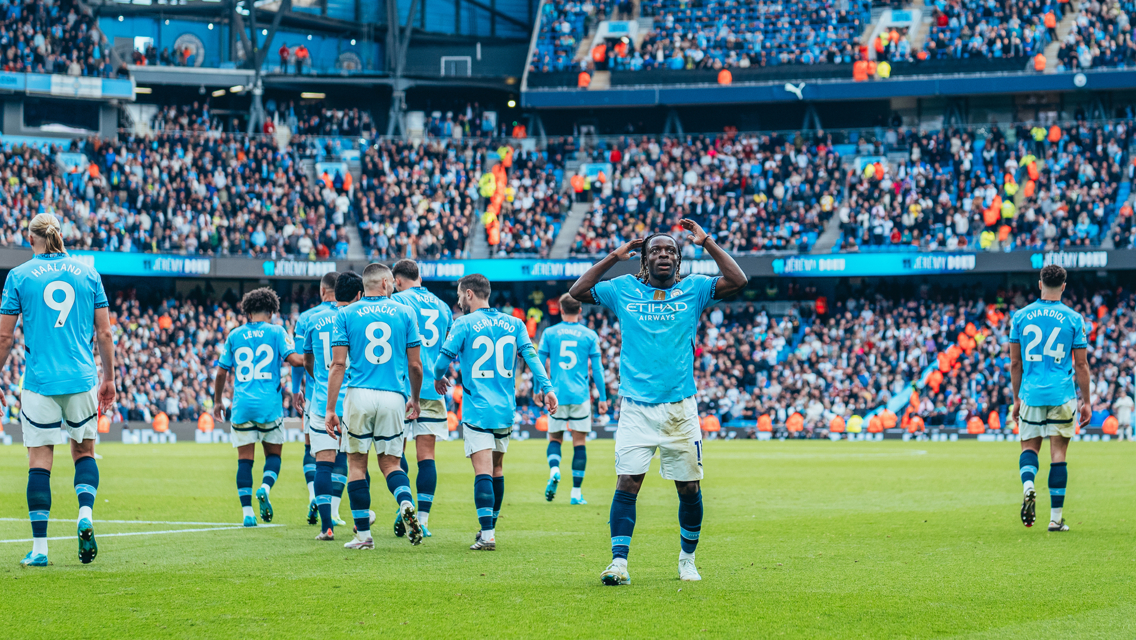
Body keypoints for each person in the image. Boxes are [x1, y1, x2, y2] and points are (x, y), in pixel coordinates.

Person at [568, 219, 747, 585]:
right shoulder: (623, 289)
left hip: (680, 407)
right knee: (627, 482)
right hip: (635, 406)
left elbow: (739, 280)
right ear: (644, 260)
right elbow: (578, 291)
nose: (663, 255)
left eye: (670, 251)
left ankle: (687, 559)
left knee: (689, 488)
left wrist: (708, 242)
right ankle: (618, 563)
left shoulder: (695, 289)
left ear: (678, 260)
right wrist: (614, 257)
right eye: (655, 251)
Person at [0, 213, 117, 567]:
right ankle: (85, 515)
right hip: (82, 379)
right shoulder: (88, 273)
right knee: (84, 452)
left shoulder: (18, 276)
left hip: (39, 382)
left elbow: (5, 336)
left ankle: (40, 549)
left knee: (40, 461)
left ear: (30, 238)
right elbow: (105, 333)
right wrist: (108, 378)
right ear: (60, 236)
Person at [433, 274, 558, 551]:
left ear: (468, 294)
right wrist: (547, 387)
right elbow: (532, 357)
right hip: (504, 409)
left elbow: (440, 363)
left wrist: (438, 377)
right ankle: (488, 528)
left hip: (477, 408)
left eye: (458, 295)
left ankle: (487, 535)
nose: (457, 301)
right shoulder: (515, 323)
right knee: (497, 469)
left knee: (483, 472)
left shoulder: (463, 323)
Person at [325, 263, 425, 549]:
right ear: (383, 283)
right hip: (393, 394)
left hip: (359, 394)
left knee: (356, 464)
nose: (393, 285)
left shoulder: (345, 314)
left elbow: (338, 364)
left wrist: (330, 410)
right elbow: (415, 364)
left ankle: (364, 536)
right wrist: (415, 398)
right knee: (391, 463)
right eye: (391, 282)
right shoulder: (405, 312)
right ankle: (406, 503)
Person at [213, 288, 305, 527]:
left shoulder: (234, 335)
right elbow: (294, 360)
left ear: (247, 311)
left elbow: (221, 371)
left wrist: (217, 401)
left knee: (245, 461)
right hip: (269, 406)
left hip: (242, 405)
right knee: (273, 456)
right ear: (272, 311)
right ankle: (265, 487)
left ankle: (247, 514)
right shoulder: (277, 331)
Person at [1009, 264, 1091, 533]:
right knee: (1059, 453)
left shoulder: (1021, 316)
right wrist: (1086, 400)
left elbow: (1015, 364)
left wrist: (1017, 398)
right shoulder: (1074, 319)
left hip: (1031, 393)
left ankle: (1029, 486)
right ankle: (1055, 519)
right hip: (1062, 394)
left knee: (1029, 448)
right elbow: (1081, 365)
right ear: (1064, 286)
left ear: (1040, 283)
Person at [392, 259, 453, 538]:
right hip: (433, 387)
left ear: (398, 280)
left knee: (396, 454)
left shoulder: (397, 302)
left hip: (403, 387)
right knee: (426, 456)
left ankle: (404, 505)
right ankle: (424, 520)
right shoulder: (442, 306)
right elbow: (447, 348)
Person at [303, 272, 363, 540]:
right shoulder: (359, 317)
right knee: (357, 464)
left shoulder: (312, 320)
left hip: (321, 401)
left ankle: (326, 527)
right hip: (353, 398)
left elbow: (307, 361)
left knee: (323, 465)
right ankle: (360, 521)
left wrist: (319, 382)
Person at [537, 293, 608, 504]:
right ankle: (576, 494)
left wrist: (537, 388)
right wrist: (602, 397)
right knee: (579, 443)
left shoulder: (550, 333)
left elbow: (538, 362)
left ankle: (555, 470)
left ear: (560, 310)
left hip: (555, 395)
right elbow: (597, 369)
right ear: (580, 310)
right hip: (580, 396)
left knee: (555, 438)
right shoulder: (589, 335)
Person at [293, 272, 339, 526]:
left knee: (314, 450)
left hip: (316, 395)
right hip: (348, 396)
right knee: (349, 457)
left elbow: (302, 360)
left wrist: (295, 387)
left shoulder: (308, 318)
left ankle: (315, 498)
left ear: (322, 291)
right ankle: (341, 512)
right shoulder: (350, 314)